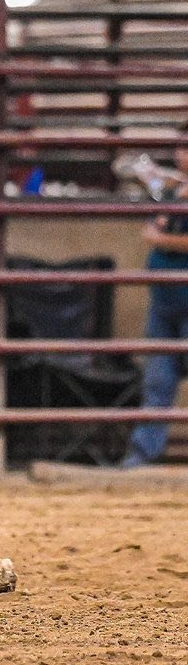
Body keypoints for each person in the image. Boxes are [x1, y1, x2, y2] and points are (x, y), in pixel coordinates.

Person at [121, 126, 188, 467]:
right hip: (165, 297)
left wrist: (160, 240)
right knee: (157, 378)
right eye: (181, 147)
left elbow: (157, 235)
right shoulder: (175, 191)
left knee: (161, 374)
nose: (182, 155)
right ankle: (143, 453)